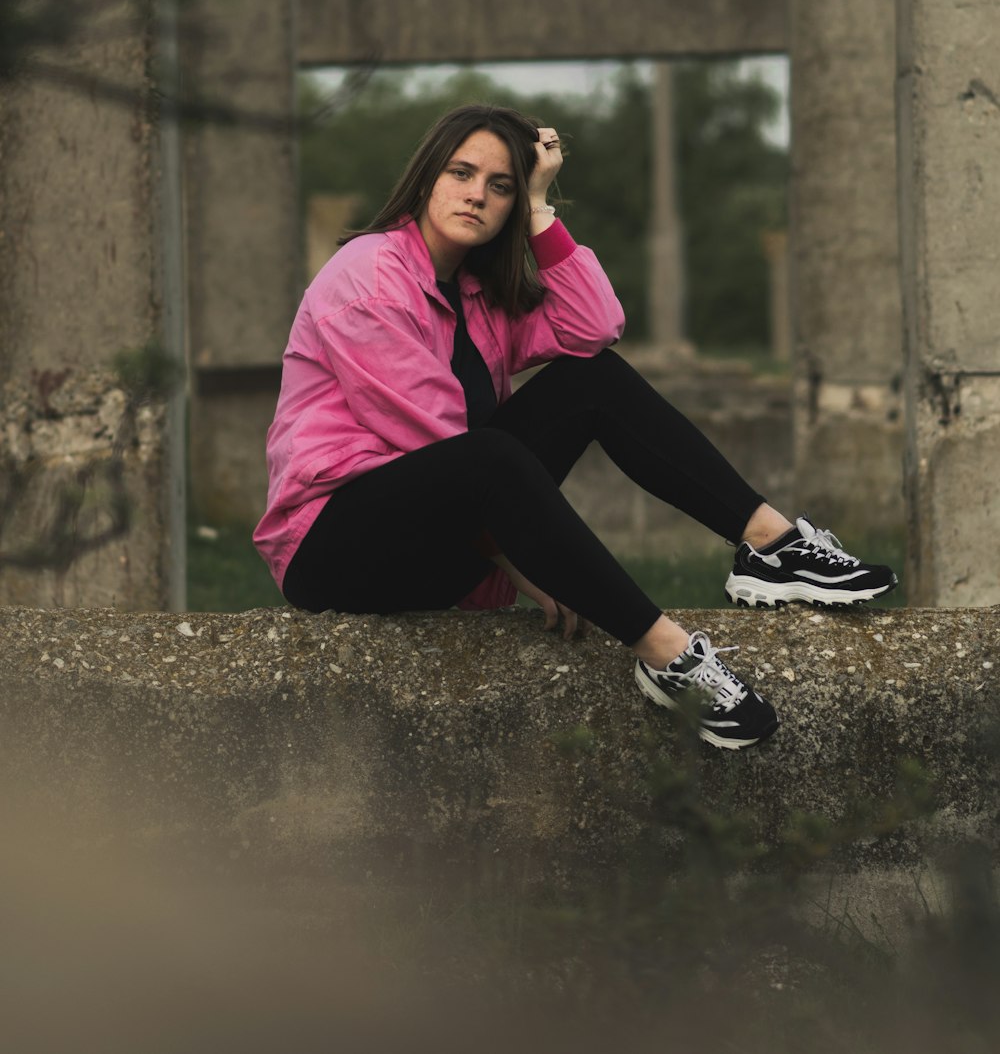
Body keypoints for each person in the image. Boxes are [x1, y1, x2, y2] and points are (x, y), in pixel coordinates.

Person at [254, 104, 896, 750]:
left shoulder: (479, 298)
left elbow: (593, 329)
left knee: (593, 380)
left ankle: (771, 545)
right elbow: (439, 443)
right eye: (461, 173)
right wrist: (532, 564)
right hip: (334, 543)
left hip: (438, 531)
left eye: (500, 185)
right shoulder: (368, 276)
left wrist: (539, 208)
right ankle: (669, 657)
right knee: (489, 455)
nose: (477, 194)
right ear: (426, 179)